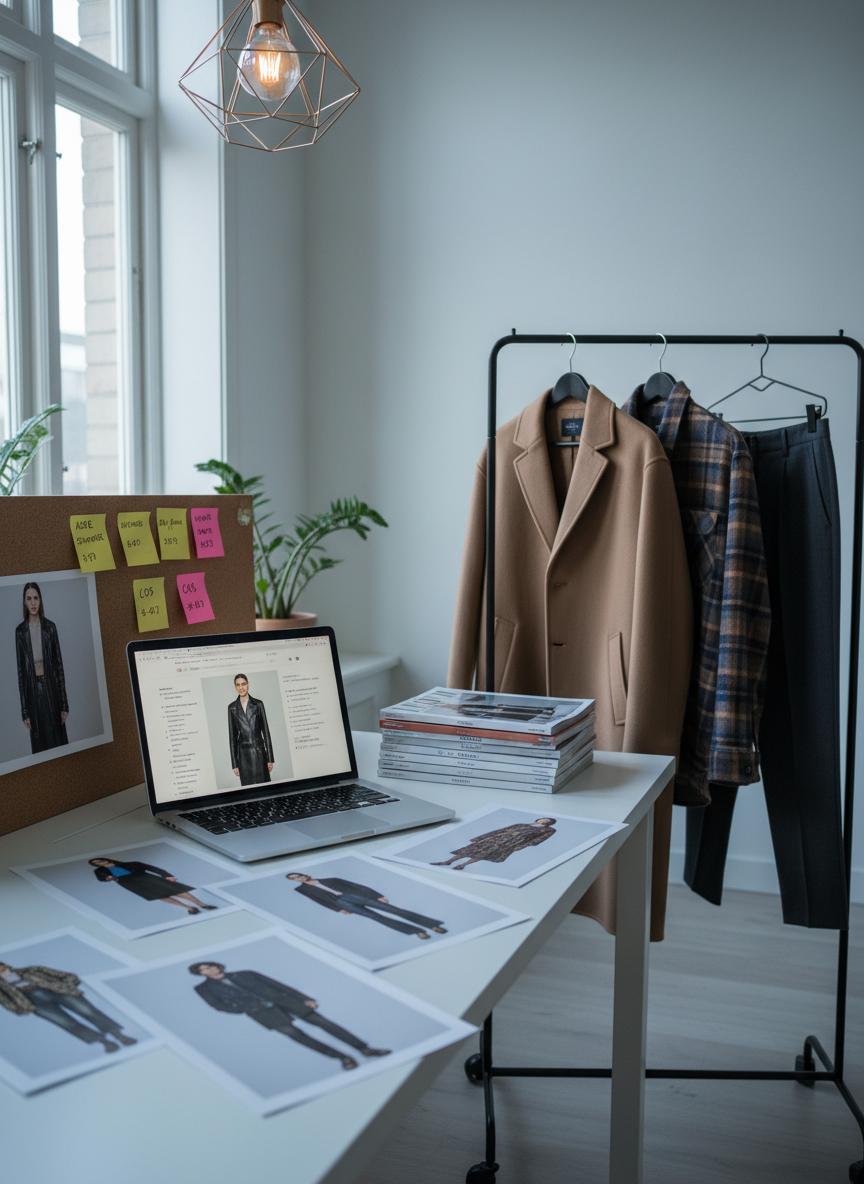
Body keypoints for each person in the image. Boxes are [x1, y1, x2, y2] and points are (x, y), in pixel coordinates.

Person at [189, 962, 391, 1071]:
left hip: (284, 1000)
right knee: (297, 1035)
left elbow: (278, 985)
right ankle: (343, 1058)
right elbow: (217, 1006)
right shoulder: (203, 988)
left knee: (324, 1023)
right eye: (203, 969)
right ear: (201, 974)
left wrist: (304, 998)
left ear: (218, 966)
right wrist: (246, 1008)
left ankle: (365, 1049)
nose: (209, 970)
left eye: (210, 965)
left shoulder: (245, 973)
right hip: (261, 1012)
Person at [0, 961, 137, 1053]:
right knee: (66, 1023)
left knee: (88, 1011)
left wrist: (65, 986)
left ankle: (119, 1035)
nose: (1, 968)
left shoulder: (32, 969)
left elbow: (68, 976)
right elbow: (6, 1002)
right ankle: (104, 1042)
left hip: (58, 992)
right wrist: (21, 1009)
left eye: (1, 965)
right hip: (34, 1003)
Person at [286, 872, 448, 940]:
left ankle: (432, 925)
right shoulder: (302, 890)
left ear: (303, 874)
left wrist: (378, 896)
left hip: (355, 896)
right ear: (295, 881)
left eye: (298, 875)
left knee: (394, 910)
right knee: (376, 917)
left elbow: (358, 887)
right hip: (341, 902)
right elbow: (319, 900)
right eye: (294, 878)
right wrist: (338, 909)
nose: (298, 878)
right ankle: (417, 931)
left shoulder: (331, 879)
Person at [15, 582, 69, 755]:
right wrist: (25, 711)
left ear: (40, 600)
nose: (33, 603)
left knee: (59, 744)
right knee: (40, 749)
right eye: (29, 598)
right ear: (24, 601)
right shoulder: (20, 632)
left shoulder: (50, 628)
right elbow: (21, 673)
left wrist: (64, 704)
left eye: (36, 598)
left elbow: (59, 667)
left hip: (51, 692)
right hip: (33, 697)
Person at [89, 857, 218, 916]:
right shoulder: (99, 871)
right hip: (129, 883)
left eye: (99, 860)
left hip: (146, 878)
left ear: (106, 859)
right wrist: (107, 877)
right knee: (161, 896)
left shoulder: (131, 863)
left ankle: (202, 904)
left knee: (176, 890)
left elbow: (151, 868)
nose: (99, 863)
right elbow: (101, 879)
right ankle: (189, 908)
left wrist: (166, 875)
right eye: (96, 863)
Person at [431, 817, 558, 871]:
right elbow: (499, 831)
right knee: (468, 850)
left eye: (547, 820)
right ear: (538, 819)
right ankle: (448, 862)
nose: (544, 821)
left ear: (549, 823)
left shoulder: (549, 830)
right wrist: (480, 837)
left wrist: (523, 846)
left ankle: (463, 865)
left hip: (510, 843)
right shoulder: (521, 824)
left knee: (483, 854)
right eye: (543, 818)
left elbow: (539, 839)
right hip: (494, 839)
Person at [228, 674, 274, 786]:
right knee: (249, 789)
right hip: (243, 757)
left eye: (243, 684)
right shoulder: (232, 708)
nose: (241, 687)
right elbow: (232, 738)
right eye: (238, 685)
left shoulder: (258, 704)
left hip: (260, 753)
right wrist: (234, 763)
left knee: (265, 788)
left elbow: (266, 732)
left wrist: (270, 758)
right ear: (235, 687)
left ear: (248, 685)